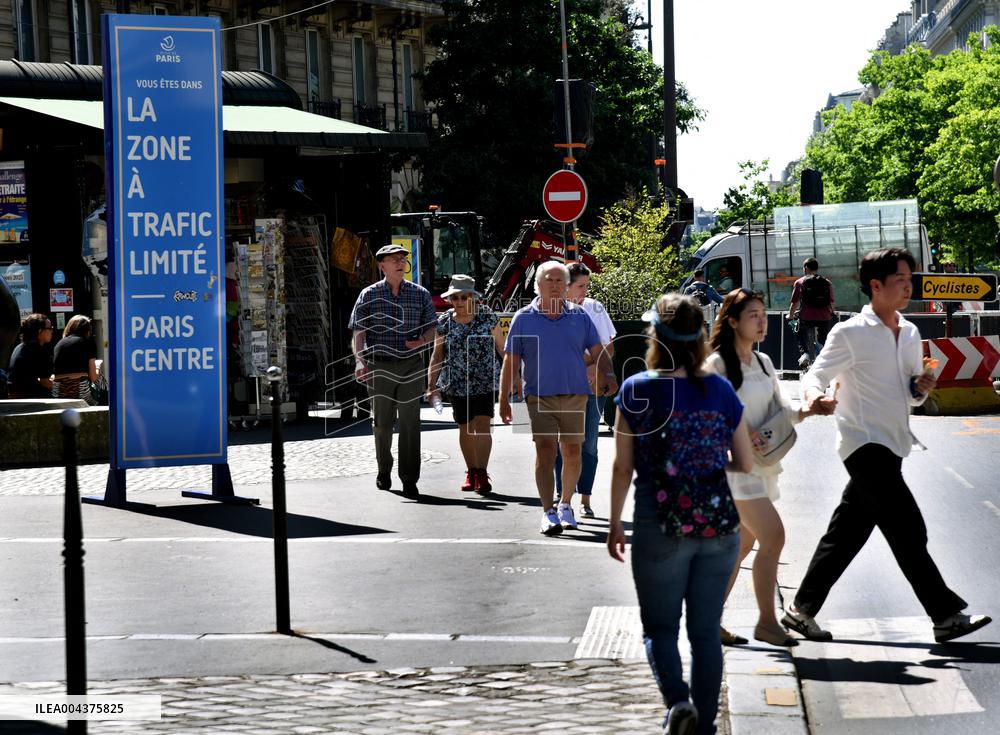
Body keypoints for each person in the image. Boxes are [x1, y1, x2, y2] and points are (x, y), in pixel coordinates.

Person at [782, 247, 992, 644]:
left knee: (846, 533)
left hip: (894, 444)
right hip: (862, 444)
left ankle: (801, 609)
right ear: (874, 286)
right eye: (900, 281)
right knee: (907, 526)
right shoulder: (849, 333)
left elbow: (911, 392)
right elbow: (816, 374)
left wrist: (921, 386)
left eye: (909, 280)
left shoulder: (910, 332)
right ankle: (945, 614)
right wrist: (813, 399)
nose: (907, 287)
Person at [608, 293, 754, 735]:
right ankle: (704, 725)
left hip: (659, 521)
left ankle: (678, 703)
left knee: (660, 628)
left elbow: (622, 465)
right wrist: (707, 463)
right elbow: (744, 462)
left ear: (656, 336)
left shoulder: (637, 389)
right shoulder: (721, 389)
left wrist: (615, 522)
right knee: (706, 632)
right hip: (718, 523)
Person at [705, 289, 828, 648]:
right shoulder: (716, 365)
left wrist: (812, 409)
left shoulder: (762, 362)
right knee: (773, 536)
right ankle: (767, 623)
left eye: (762, 314)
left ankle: (707, 620)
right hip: (733, 469)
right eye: (753, 315)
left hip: (762, 467)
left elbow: (782, 408)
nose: (762, 321)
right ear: (732, 322)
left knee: (741, 545)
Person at [499, 261, 617, 536]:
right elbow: (510, 361)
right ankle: (547, 511)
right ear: (538, 285)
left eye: (559, 281)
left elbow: (599, 350)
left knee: (573, 451)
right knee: (545, 451)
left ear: (566, 287)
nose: (554, 285)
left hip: (576, 394)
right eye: (548, 280)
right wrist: (503, 399)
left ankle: (566, 504)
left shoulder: (580, 316)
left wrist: (609, 374)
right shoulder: (523, 318)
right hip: (538, 396)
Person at [348, 243, 436, 500]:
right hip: (379, 364)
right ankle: (383, 469)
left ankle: (409, 479)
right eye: (394, 259)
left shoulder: (419, 294)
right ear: (381, 265)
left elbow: (432, 328)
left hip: (410, 364)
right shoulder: (369, 294)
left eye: (402, 258)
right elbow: (358, 332)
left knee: (411, 423)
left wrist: (423, 341)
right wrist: (359, 360)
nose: (400, 263)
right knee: (383, 423)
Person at [427, 274, 505, 495]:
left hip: (485, 380)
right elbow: (437, 354)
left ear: (473, 298)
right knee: (465, 427)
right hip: (457, 382)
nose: (459, 302)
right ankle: (471, 471)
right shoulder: (444, 321)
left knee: (482, 424)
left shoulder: (487, 317)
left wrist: (514, 376)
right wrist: (431, 385)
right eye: (455, 298)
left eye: (464, 297)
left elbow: (502, 348)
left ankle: (482, 472)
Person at [554, 262, 616, 517]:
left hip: (591, 387)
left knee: (589, 443)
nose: (585, 291)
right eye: (581, 286)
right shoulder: (550, 310)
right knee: (562, 443)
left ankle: (585, 498)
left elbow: (608, 346)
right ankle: (562, 495)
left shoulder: (594, 308)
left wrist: (601, 370)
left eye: (587, 286)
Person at [786, 257, 834, 368]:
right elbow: (832, 303)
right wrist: (831, 313)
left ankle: (805, 354)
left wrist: (790, 316)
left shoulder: (799, 282)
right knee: (824, 339)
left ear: (806, 268)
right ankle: (823, 352)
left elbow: (794, 302)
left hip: (807, 318)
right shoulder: (827, 283)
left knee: (799, 332)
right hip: (824, 317)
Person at [52, 315, 99, 405]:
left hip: (58, 389)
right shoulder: (88, 343)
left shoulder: (59, 344)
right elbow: (93, 377)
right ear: (87, 330)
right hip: (79, 386)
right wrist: (98, 368)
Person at [7, 313, 53, 399]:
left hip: (14, 395)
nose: (52, 331)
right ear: (40, 331)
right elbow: (45, 382)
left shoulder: (19, 347)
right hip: (28, 397)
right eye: (49, 328)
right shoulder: (39, 350)